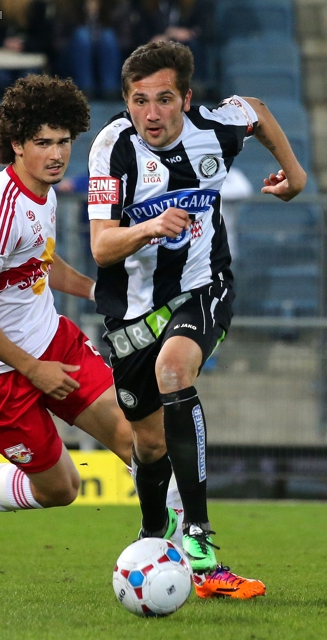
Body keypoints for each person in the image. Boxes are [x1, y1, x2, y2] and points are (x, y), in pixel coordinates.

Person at [0, 73, 265, 601]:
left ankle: (197, 564)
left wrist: (99, 290)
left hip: (53, 342)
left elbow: (40, 264)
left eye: (63, 142)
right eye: (43, 143)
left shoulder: (43, 193)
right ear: (17, 145)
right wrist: (33, 370)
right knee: (61, 490)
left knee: (141, 442)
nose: (56, 155)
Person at [87, 41, 305, 586]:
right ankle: (153, 529)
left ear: (186, 98)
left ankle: (200, 538)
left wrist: (294, 174)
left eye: (164, 99)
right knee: (148, 440)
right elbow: (101, 248)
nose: (152, 114)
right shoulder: (110, 148)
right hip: (133, 311)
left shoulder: (214, 128)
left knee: (174, 370)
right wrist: (147, 228)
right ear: (126, 101)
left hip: (203, 286)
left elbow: (255, 108)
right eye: (139, 101)